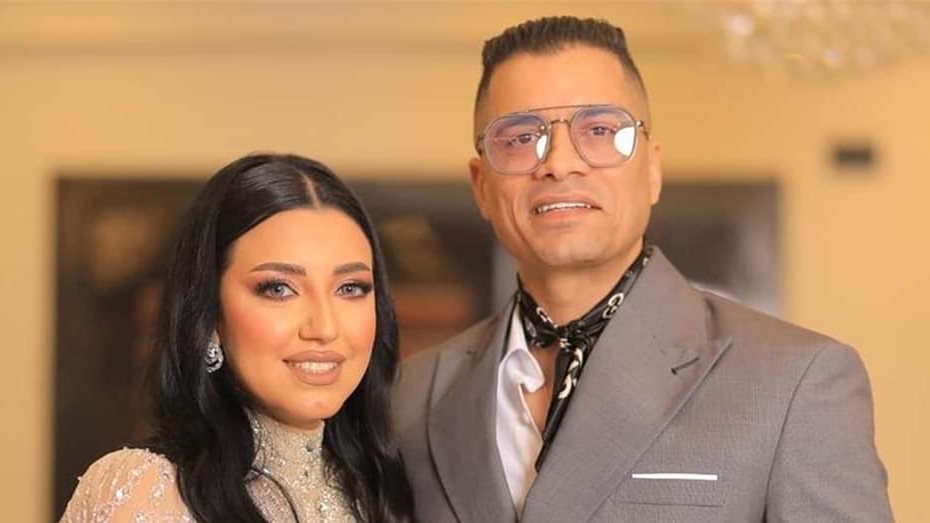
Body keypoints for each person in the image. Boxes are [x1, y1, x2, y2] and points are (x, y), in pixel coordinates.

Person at [394, 16, 893, 522]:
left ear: (652, 170)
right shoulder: (412, 395)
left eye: (599, 130)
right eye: (521, 138)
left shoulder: (796, 381)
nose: (560, 164)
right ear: (481, 186)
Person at [61, 154, 415, 522]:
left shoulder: (384, 494)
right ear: (210, 313)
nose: (325, 328)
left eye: (350, 288)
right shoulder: (145, 488)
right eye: (278, 288)